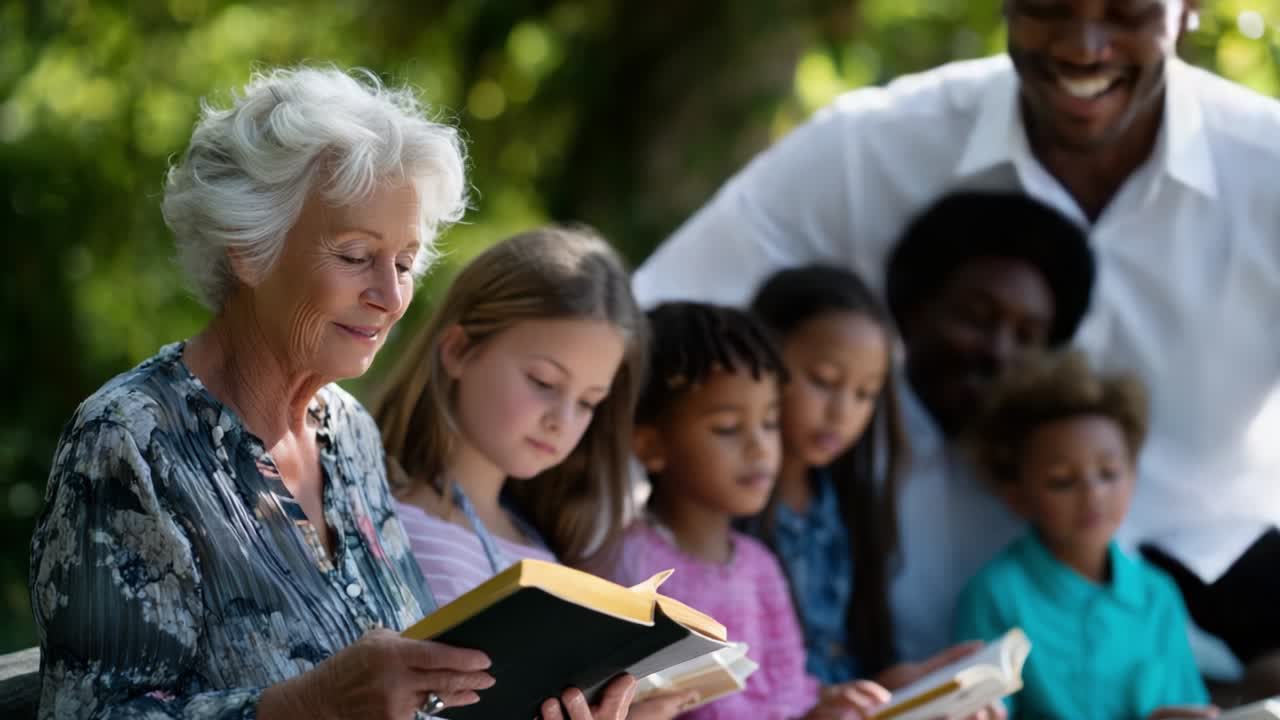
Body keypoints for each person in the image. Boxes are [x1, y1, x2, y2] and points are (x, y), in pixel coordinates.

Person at [633, 0, 1280, 673]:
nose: (1086, 46)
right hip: (882, 671)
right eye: (1051, 6)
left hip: (1214, 647)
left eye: (1125, 12)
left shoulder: (1268, 170)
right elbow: (642, 340)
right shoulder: (873, 148)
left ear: (1188, 11)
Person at [27, 66, 626, 720]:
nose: (392, 297)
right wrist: (309, 705)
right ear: (247, 245)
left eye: (402, 263)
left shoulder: (349, 433)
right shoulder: (128, 444)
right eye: (354, 256)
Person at [373, 225, 695, 719]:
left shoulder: (548, 552)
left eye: (589, 403)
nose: (562, 421)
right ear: (458, 350)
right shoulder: (375, 513)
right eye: (544, 382)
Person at [607, 301, 893, 720]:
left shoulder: (760, 566)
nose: (760, 447)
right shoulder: (628, 568)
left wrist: (828, 704)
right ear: (650, 445)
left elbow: (791, 689)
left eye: (770, 422)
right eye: (727, 428)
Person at [956, 351, 1215, 720]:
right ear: (1017, 495)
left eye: (1108, 473)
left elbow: (1192, 706)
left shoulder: (1158, 595)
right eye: (1062, 481)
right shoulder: (995, 595)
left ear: (1133, 477)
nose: (1093, 495)